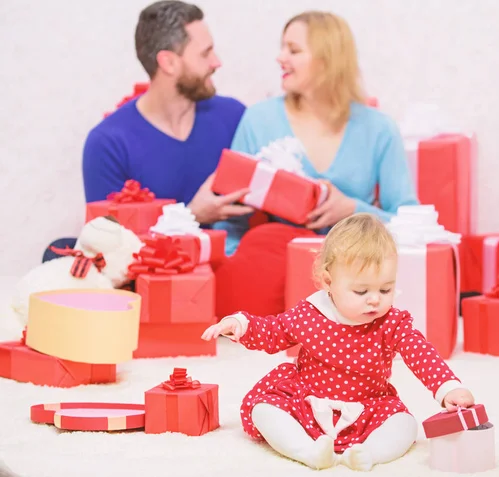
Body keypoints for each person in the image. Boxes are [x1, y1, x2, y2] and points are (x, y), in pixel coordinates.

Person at [203, 213, 475, 471]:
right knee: (264, 410)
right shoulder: (310, 314)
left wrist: (447, 387)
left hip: (369, 405)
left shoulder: (391, 323)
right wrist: (241, 325)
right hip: (305, 401)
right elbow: (274, 331)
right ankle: (306, 451)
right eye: (361, 290)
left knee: (405, 425)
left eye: (385, 289)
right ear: (328, 282)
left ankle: (367, 454)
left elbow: (421, 354)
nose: (375, 299)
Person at [212, 10, 418, 318]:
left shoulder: (379, 129)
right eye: (283, 48)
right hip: (276, 275)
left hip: (357, 287)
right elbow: (231, 218)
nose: (280, 58)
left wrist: (353, 211)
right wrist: (233, 275)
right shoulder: (258, 120)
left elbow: (409, 224)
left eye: (293, 50)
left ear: (327, 58)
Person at [43, 0, 252, 262]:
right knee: (58, 251)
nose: (216, 62)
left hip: (226, 266)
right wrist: (192, 215)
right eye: (205, 53)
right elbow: (110, 246)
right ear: (169, 63)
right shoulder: (109, 143)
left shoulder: (234, 116)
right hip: (150, 276)